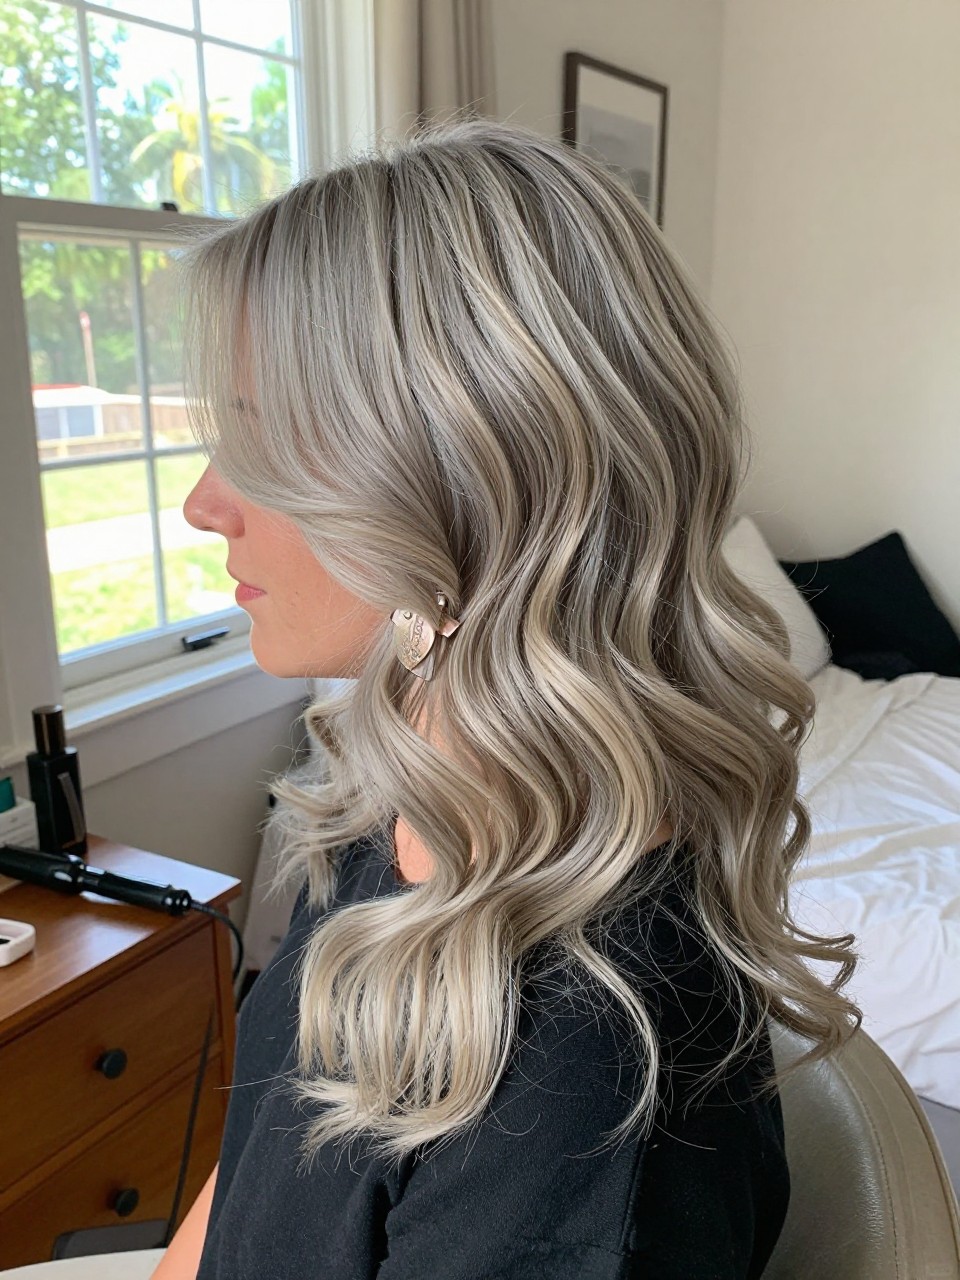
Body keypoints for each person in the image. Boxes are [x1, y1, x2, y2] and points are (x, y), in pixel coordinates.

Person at [157, 115, 860, 1279]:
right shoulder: (396, 799)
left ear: (468, 479)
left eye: (260, 439)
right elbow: (264, 1157)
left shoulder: (582, 1082)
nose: (203, 502)